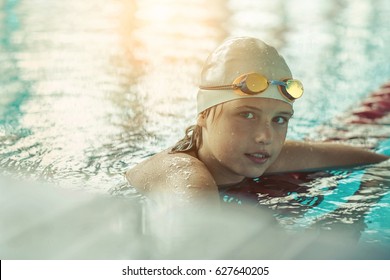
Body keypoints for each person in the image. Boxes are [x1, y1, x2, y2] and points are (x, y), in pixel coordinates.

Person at [126, 37, 388, 206]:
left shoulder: (261, 153)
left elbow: (380, 163)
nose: (266, 136)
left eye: (279, 119)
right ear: (203, 115)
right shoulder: (183, 173)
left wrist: (361, 201)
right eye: (247, 114)